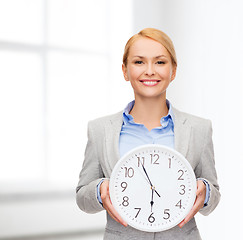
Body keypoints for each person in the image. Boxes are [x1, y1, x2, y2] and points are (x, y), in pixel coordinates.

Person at [76, 28, 220, 240]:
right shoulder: (100, 130)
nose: (150, 70)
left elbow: (213, 195)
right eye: (139, 62)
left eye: (160, 62)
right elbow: (82, 198)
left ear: (173, 71)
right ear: (125, 70)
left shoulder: (199, 128)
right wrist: (99, 189)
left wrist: (206, 191)